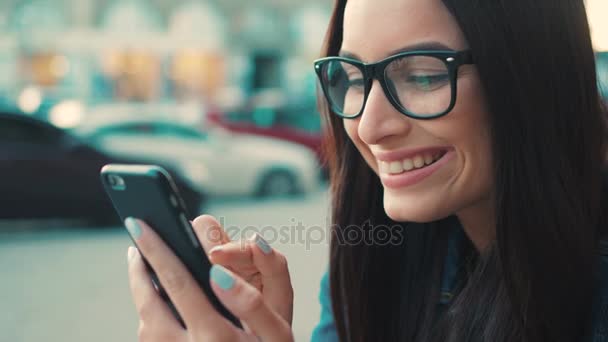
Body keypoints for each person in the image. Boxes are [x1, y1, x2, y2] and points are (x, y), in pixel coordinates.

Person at [123, 0, 608, 341]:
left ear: (532, 74)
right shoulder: (374, 261)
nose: (369, 126)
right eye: (352, 77)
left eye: (422, 74)